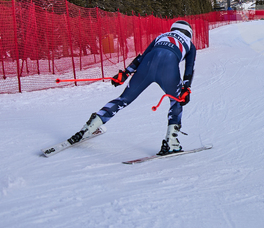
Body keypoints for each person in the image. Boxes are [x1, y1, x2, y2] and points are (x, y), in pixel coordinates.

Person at [68, 19, 196, 156]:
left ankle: (88, 128)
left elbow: (142, 57)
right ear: (189, 33)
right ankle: (171, 141)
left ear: (173, 29)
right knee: (175, 101)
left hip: (146, 66)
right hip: (169, 68)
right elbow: (189, 69)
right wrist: (186, 88)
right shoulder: (190, 44)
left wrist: (125, 73)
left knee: (122, 99)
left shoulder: (161, 36)